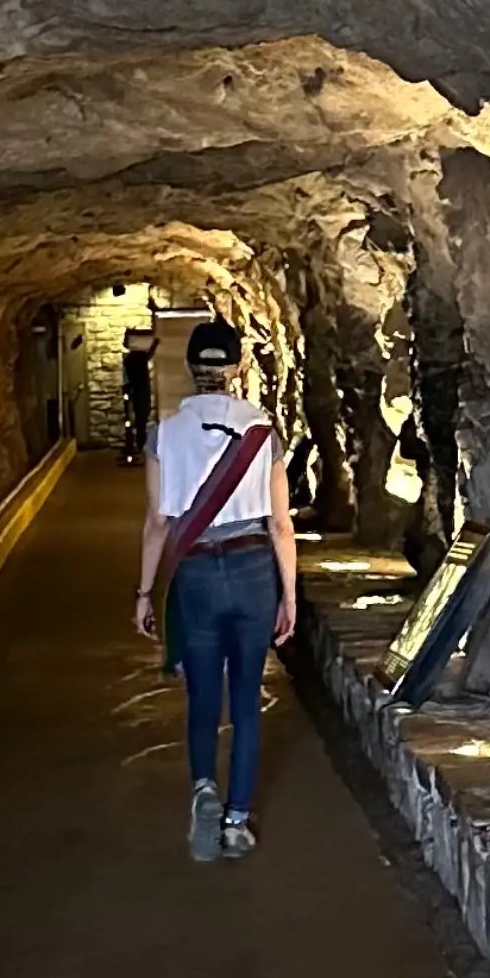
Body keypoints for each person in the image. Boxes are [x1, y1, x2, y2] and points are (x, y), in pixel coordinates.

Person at [134, 319, 297, 861]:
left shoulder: (164, 433)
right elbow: (280, 524)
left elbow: (158, 522)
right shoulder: (262, 429)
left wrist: (144, 593)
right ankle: (235, 822)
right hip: (252, 570)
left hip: (197, 572)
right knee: (246, 698)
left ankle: (204, 787)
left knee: (203, 695)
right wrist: (289, 594)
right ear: (238, 367)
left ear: (190, 368)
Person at [119, 322, 156, 466]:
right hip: (140, 392)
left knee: (138, 421)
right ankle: (139, 447)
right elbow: (149, 354)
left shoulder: (130, 359)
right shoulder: (136, 358)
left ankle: (137, 447)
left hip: (135, 392)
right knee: (141, 421)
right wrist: (157, 343)